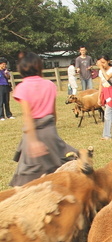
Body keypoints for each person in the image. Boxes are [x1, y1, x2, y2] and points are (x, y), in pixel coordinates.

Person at [10, 52, 76, 186]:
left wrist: (33, 141)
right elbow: (53, 113)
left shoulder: (22, 87)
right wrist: (53, 133)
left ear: (21, 69)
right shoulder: (50, 85)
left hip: (33, 133)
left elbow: (28, 117)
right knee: (57, 165)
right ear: (39, 67)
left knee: (30, 176)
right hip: (50, 130)